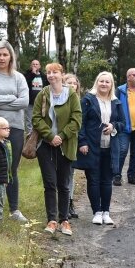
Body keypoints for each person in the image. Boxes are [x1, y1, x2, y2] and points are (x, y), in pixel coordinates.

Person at [0, 41, 29, 223]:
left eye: (5, 55)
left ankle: (14, 210)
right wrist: (11, 98)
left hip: (15, 128)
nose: (1, 58)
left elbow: (24, 101)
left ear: (11, 57)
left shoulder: (19, 77)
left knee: (11, 169)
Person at [33, 63, 82, 235]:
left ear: (62, 74)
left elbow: (76, 120)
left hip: (66, 145)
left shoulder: (72, 95)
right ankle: (52, 220)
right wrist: (50, 136)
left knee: (63, 184)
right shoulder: (43, 94)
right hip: (45, 146)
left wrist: (61, 136)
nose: (51, 75)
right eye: (48, 72)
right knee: (50, 183)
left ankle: (64, 220)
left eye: (55, 72)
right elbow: (36, 118)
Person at [75, 71, 125, 226]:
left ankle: (106, 212)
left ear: (111, 85)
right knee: (93, 180)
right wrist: (82, 142)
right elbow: (80, 123)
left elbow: (123, 123)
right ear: (97, 82)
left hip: (110, 147)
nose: (104, 84)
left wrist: (113, 126)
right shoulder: (88, 100)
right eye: (101, 81)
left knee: (106, 181)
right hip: (91, 146)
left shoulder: (116, 102)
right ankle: (96, 212)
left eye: (107, 82)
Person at [64, 73, 82, 218]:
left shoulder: (81, 102)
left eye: (74, 83)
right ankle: (61, 204)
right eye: (68, 82)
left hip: (74, 143)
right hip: (60, 141)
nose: (72, 85)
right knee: (60, 175)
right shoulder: (60, 101)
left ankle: (69, 202)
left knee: (71, 174)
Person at [24, 59, 47, 134]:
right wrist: (33, 74)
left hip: (41, 102)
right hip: (30, 101)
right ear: (31, 66)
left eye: (37, 64)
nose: (35, 66)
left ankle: (39, 135)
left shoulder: (44, 76)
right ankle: (30, 135)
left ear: (40, 66)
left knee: (41, 119)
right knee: (29, 120)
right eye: (33, 64)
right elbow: (25, 84)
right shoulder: (27, 75)